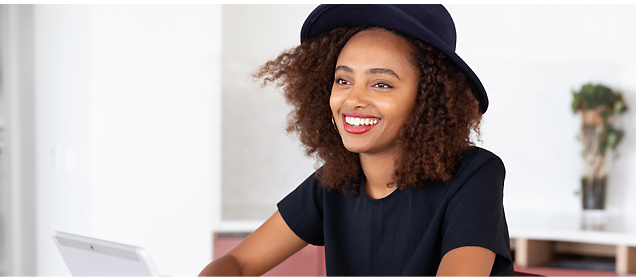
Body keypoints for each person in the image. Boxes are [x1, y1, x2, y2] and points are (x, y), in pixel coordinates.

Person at [199, 4, 514, 277]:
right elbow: (238, 263)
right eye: (343, 80)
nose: (353, 99)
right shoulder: (335, 182)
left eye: (381, 84)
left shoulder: (475, 174)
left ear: (428, 99)